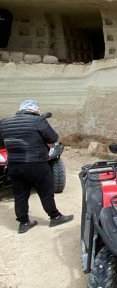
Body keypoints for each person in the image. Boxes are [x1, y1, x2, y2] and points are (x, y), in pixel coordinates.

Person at [0, 100, 73, 233]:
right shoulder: (38, 120)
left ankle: (23, 223)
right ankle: (55, 217)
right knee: (46, 192)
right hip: (36, 164)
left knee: (20, 194)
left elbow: (1, 144)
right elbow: (53, 138)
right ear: (36, 110)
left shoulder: (4, 123)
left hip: (14, 165)